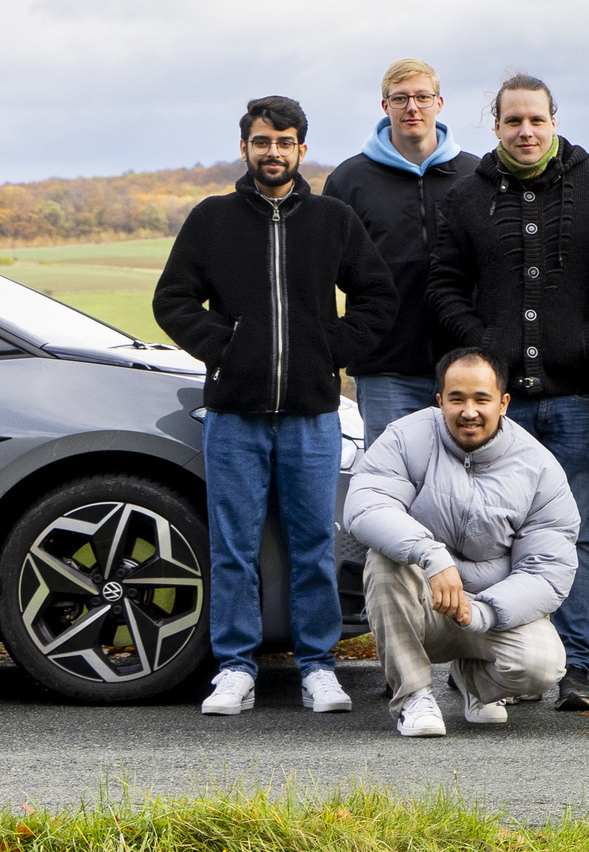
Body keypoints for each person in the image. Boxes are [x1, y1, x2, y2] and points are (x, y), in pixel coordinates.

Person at [154, 96, 396, 716]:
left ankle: (319, 666)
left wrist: (328, 348)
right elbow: (174, 300)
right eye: (262, 142)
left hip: (312, 414)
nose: (273, 152)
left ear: (301, 149)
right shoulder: (211, 219)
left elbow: (376, 296)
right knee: (232, 546)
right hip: (234, 414)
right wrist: (224, 347)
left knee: (312, 541)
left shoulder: (332, 219)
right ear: (245, 148)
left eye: (284, 142)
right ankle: (235, 667)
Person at [424, 73, 589, 712]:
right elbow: (442, 285)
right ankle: (493, 666)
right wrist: (483, 347)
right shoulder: (467, 194)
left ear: (554, 120)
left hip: (575, 394)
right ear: (497, 126)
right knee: (488, 533)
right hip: (498, 406)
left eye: (536, 120)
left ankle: (576, 668)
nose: (526, 131)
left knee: (575, 532)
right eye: (513, 121)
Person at [342, 348, 578, 738]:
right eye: (457, 399)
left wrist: (483, 613)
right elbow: (365, 506)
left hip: (488, 611)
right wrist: (431, 554)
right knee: (383, 562)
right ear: (440, 401)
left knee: (544, 666)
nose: (469, 411)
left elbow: (547, 571)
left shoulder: (540, 467)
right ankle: (414, 696)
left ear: (504, 402)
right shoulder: (404, 437)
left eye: (482, 399)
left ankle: (476, 686)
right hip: (424, 604)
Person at [329, 58, 480, 442]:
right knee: (390, 486)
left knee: (463, 489)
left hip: (467, 366)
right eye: (400, 99)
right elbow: (328, 272)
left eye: (422, 97)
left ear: (439, 103)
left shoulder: (476, 176)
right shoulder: (349, 181)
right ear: (385, 107)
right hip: (385, 368)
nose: (412, 107)